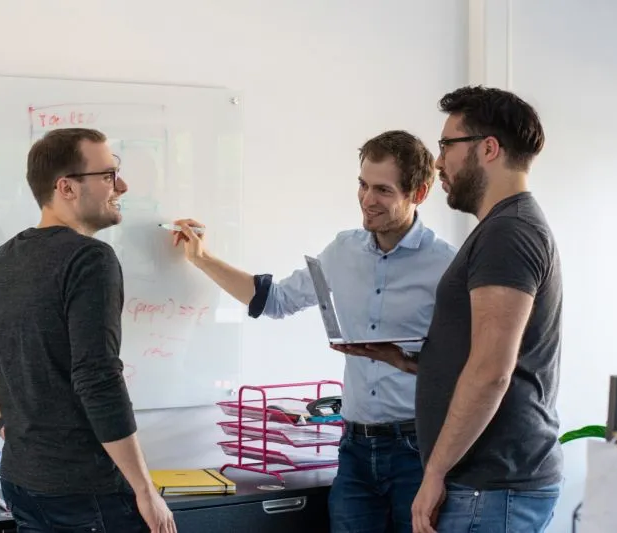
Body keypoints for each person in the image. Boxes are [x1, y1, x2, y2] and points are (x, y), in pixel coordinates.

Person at [169, 130, 457, 533]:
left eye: (382, 190)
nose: (367, 199)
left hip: (417, 449)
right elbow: (275, 300)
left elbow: (465, 362)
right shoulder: (343, 250)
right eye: (362, 185)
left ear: (420, 193)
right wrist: (202, 259)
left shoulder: (446, 265)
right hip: (354, 448)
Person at [0, 128, 176, 533]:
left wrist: (2, 424)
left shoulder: (6, 257)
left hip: (23, 482)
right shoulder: (91, 259)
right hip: (87, 493)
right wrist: (144, 488)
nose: (122, 185)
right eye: (108, 175)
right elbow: (98, 377)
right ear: (66, 187)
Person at [369, 87, 562, 533]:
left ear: (488, 148)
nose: (438, 162)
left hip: (490, 488)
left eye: (446, 146)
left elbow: (493, 369)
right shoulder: (505, 228)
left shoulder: (508, 233)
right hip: (489, 487)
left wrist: (434, 472)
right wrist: (413, 363)